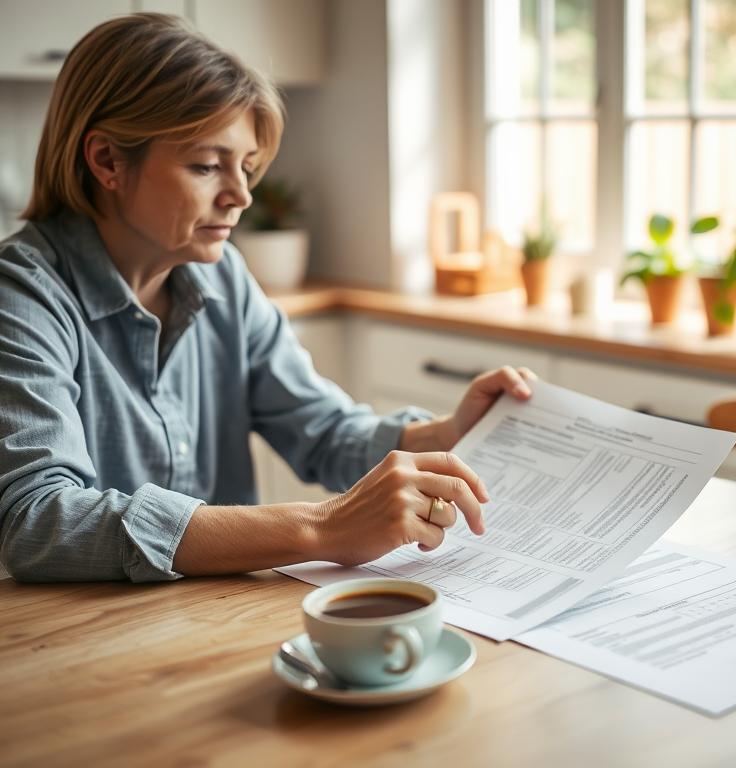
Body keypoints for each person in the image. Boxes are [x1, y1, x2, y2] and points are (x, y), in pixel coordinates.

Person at [0, 14, 534, 583]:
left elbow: (321, 428)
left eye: (246, 166)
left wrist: (445, 434)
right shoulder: (22, 294)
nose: (241, 196)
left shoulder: (223, 274)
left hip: (221, 616)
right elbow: (39, 520)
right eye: (207, 166)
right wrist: (322, 527)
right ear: (107, 160)